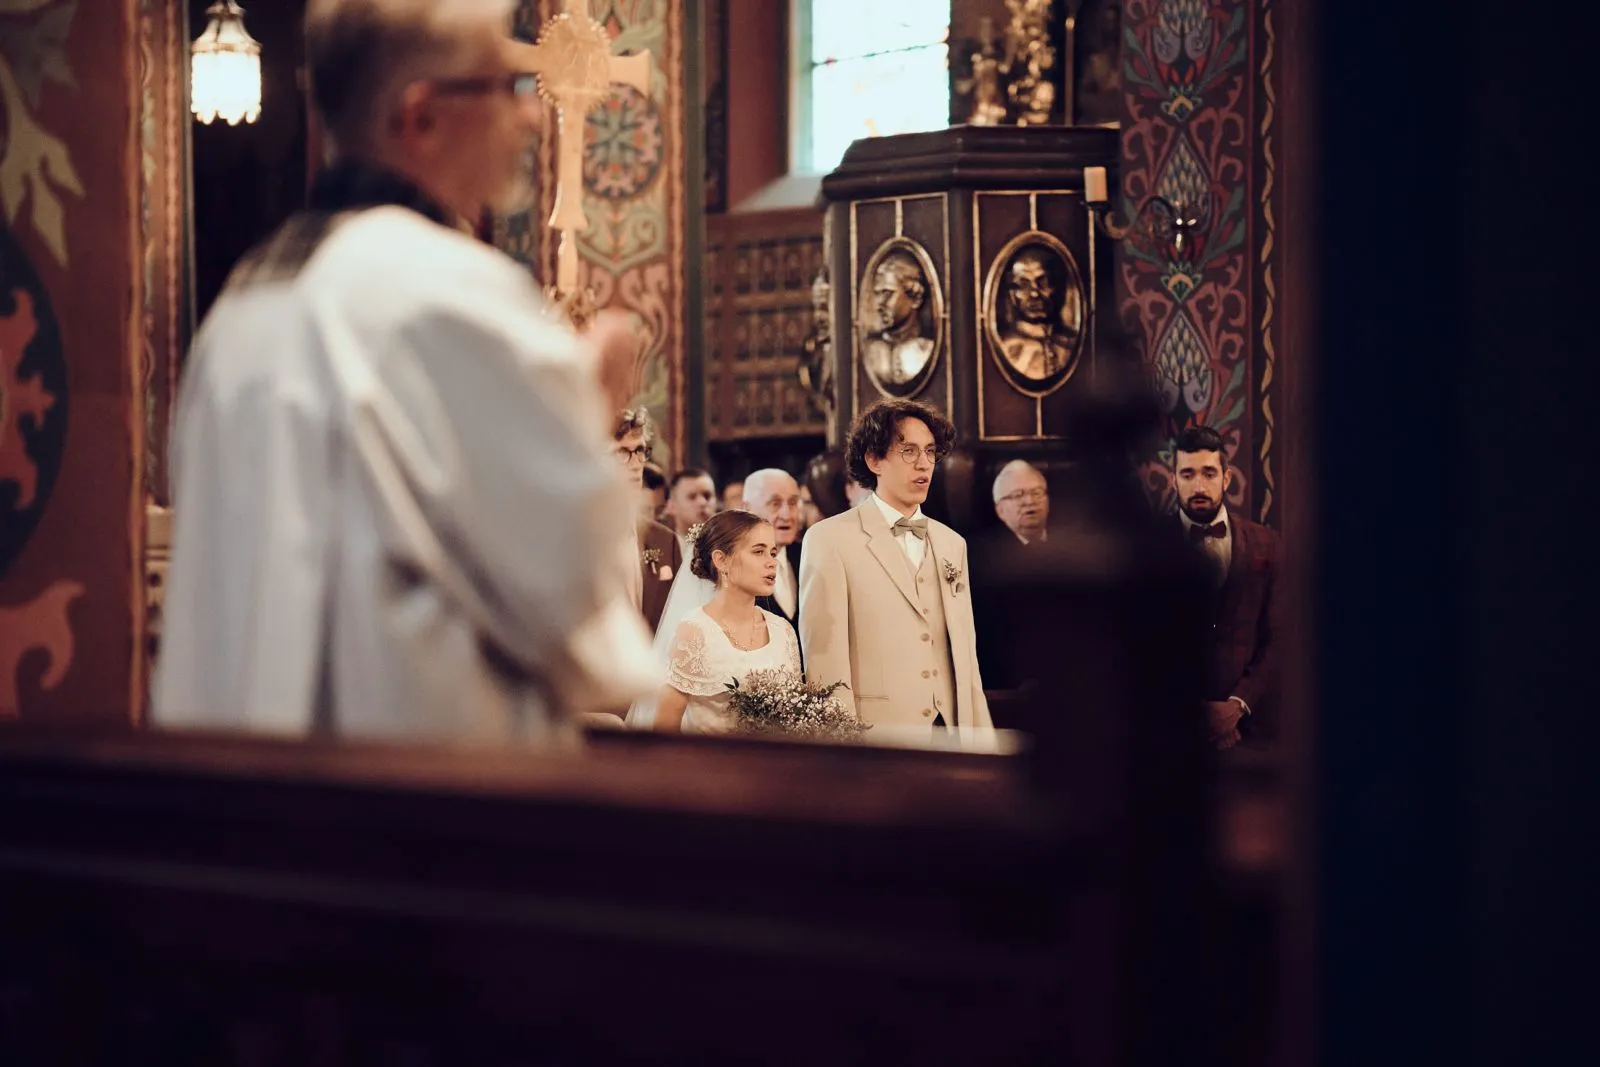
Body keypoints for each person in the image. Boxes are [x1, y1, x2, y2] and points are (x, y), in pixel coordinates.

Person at [152, 0, 656, 742]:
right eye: (501, 86)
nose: (527, 118)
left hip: (238, 794)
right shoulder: (446, 292)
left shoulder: (242, 307)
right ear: (419, 118)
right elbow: (566, 590)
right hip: (414, 799)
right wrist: (592, 420)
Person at [798, 400, 992, 741]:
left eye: (931, 452)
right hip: (876, 738)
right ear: (874, 460)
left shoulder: (952, 544)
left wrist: (982, 741)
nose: (924, 464)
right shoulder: (829, 539)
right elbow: (824, 662)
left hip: (952, 734)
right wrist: (840, 749)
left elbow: (965, 657)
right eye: (908, 451)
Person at [1170, 425, 1281, 748]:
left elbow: (1281, 637)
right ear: (1174, 480)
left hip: (1252, 732)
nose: (1199, 485)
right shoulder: (1147, 551)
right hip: (1172, 737)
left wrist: (1237, 705)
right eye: (1188, 475)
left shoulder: (1267, 544)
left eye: (1208, 473)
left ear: (1226, 478)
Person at [647, 511, 801, 734]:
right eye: (759, 552)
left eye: (773, 552)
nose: (772, 563)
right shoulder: (695, 631)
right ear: (721, 560)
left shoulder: (783, 631)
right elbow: (664, 727)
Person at [612, 409, 681, 634]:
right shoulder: (570, 538)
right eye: (621, 452)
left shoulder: (664, 539)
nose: (635, 464)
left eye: (640, 450)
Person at [997, 249, 1079, 381]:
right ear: (1012, 293)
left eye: (1043, 283)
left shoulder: (1073, 345)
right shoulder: (1004, 348)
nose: (1034, 294)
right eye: (1024, 285)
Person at [860, 250, 937, 391]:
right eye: (877, 294)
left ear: (915, 298)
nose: (878, 304)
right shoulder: (870, 353)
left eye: (887, 294)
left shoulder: (927, 350)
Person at [742, 468, 803, 630]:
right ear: (747, 509)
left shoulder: (809, 556)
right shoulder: (735, 568)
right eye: (775, 504)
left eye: (792, 503)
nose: (787, 515)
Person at [992, 459, 1050, 544]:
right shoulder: (985, 551)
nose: (1030, 501)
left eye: (1037, 493)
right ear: (1000, 510)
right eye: (1018, 495)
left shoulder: (1070, 539)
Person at [663, 467, 716, 557]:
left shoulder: (730, 546)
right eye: (692, 497)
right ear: (671, 506)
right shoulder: (662, 549)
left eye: (707, 496)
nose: (702, 502)